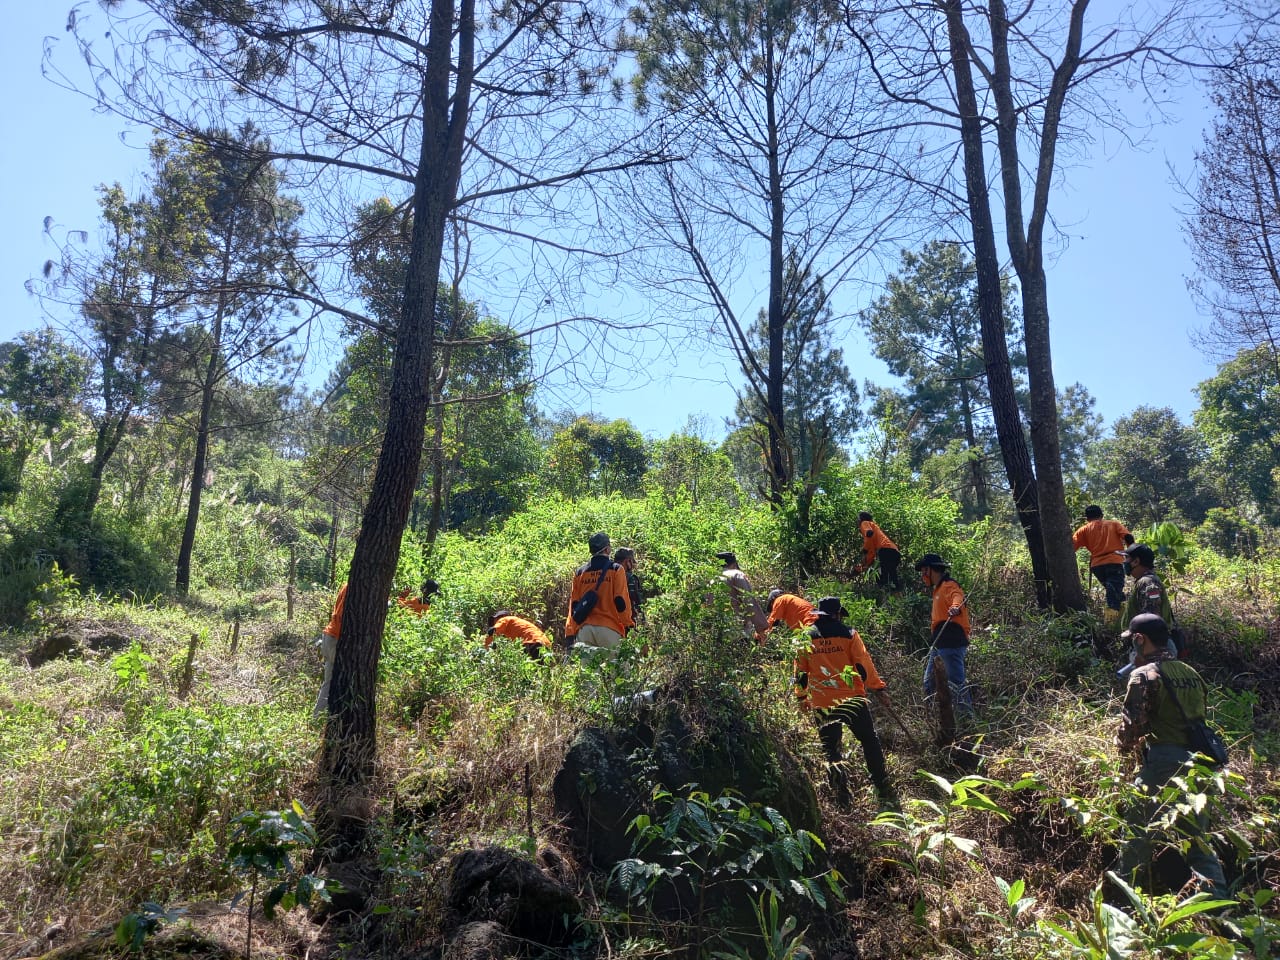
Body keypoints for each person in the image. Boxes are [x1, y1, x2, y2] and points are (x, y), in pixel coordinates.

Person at [1112, 613, 1228, 899]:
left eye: (1133, 641)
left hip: (1164, 762)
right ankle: (1218, 907)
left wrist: (1120, 752)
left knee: (1137, 835)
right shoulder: (1191, 673)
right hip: (1201, 764)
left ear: (1140, 639)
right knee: (1197, 843)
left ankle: (1123, 903)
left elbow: (1131, 730)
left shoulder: (1144, 675)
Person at [793, 596, 896, 807]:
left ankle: (841, 797)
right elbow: (863, 665)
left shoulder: (806, 637)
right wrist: (878, 688)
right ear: (837, 614)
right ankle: (881, 784)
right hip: (852, 700)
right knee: (869, 740)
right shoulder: (849, 634)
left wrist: (801, 696)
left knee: (831, 749)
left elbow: (800, 671)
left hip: (823, 703)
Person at [915, 553, 971, 709]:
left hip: (952, 639)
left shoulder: (949, 585)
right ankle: (936, 720)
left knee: (956, 684)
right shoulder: (937, 589)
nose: (923, 574)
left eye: (924, 570)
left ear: (932, 569)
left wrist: (955, 608)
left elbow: (957, 597)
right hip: (939, 641)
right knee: (929, 683)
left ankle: (967, 720)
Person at [564, 531, 633, 656]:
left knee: (588, 674)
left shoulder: (580, 573)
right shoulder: (616, 569)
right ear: (607, 549)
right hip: (609, 629)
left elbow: (573, 606)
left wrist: (570, 633)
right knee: (618, 673)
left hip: (584, 631)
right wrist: (629, 625)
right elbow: (620, 602)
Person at [1072, 505, 1135, 627]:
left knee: (1115, 592)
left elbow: (1071, 547)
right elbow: (1128, 537)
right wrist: (1132, 554)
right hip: (1114, 562)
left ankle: (1125, 620)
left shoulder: (1083, 530)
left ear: (1087, 518)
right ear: (1101, 515)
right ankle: (1111, 626)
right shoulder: (1113, 524)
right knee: (1113, 594)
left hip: (1097, 566)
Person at [1120, 545, 1178, 659]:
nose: (1124, 562)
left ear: (1136, 561)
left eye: (1126, 558)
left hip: (1151, 647)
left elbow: (1151, 618)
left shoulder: (1148, 582)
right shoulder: (1144, 581)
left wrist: (1145, 650)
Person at [715, 551, 769, 640]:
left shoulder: (712, 579)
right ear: (733, 563)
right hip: (738, 627)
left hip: (718, 628)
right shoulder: (736, 574)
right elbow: (749, 600)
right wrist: (761, 628)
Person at [314, 581, 349, 716]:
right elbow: (341, 616)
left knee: (329, 683)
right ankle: (336, 717)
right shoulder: (358, 588)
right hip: (336, 639)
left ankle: (318, 717)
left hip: (329, 637)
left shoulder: (347, 585)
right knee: (346, 679)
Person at [854, 512, 902, 591]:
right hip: (894, 551)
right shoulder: (874, 527)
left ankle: (889, 594)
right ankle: (896, 596)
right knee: (890, 576)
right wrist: (863, 567)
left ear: (861, 519)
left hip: (886, 550)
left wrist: (864, 550)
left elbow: (869, 534)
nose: (857, 522)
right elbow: (871, 552)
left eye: (858, 519)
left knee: (885, 578)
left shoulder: (865, 523)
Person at [486, 610, 552, 660]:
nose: (495, 623)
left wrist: (485, 649)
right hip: (545, 643)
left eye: (495, 620)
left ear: (501, 617)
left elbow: (492, 631)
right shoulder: (516, 624)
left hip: (532, 642)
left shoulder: (505, 619)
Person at [613, 547, 643, 628]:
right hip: (627, 623)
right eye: (632, 562)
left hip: (609, 622)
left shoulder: (607, 574)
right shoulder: (631, 578)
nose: (633, 565)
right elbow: (637, 602)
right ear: (627, 561)